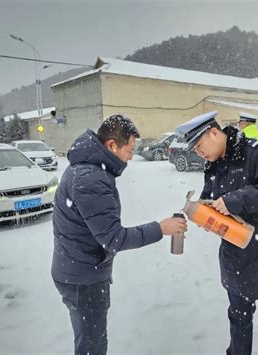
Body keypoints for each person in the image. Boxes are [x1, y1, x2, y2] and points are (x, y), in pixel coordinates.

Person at [176, 111, 258, 355]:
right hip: (236, 258)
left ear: (214, 133)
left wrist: (234, 200)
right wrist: (206, 214)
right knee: (238, 323)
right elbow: (213, 197)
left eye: (198, 146)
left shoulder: (257, 152)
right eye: (194, 150)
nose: (198, 153)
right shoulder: (214, 164)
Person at [51, 114, 187, 355]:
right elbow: (114, 238)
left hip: (78, 269)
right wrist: (161, 228)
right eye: (130, 149)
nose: (131, 156)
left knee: (89, 339)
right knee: (92, 345)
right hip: (83, 277)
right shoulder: (90, 178)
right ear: (111, 145)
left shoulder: (86, 169)